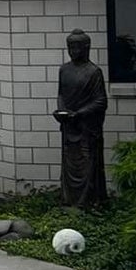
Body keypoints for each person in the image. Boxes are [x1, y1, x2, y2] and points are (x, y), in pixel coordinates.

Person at [54, 27, 109, 208]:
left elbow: (101, 101)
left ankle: (89, 202)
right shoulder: (64, 70)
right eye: (70, 48)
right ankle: (68, 200)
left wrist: (79, 113)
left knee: (88, 165)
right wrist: (61, 110)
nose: (73, 52)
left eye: (77, 48)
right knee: (69, 163)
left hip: (86, 127)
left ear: (86, 48)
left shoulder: (93, 72)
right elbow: (61, 94)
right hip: (69, 126)